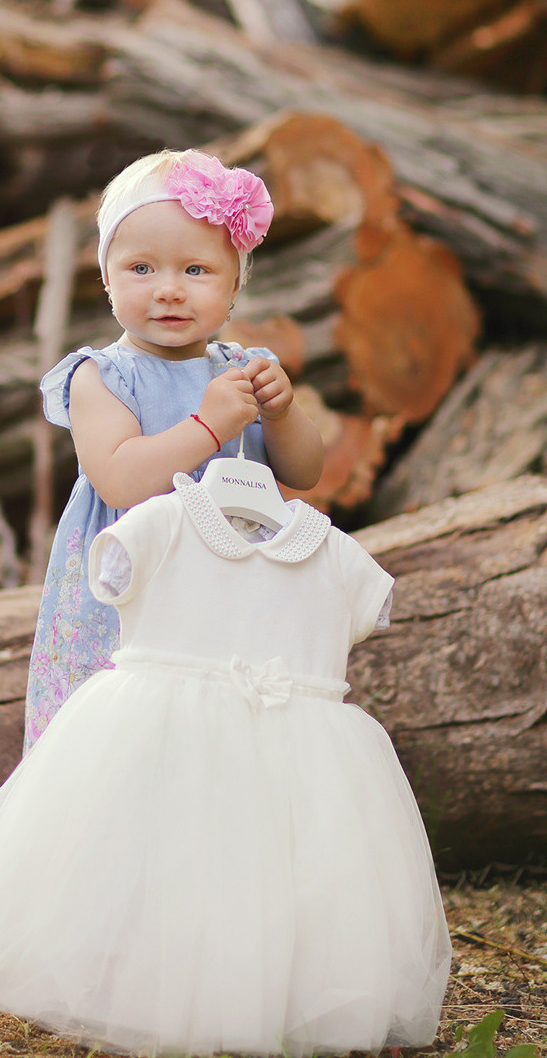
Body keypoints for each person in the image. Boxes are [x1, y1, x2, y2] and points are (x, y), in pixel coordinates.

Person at [0, 467, 452, 1058]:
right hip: (168, 744)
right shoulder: (161, 526)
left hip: (278, 754)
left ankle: (257, 1003)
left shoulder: (337, 558)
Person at [23, 148, 323, 751]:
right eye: (141, 268)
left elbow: (305, 472)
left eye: (195, 270)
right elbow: (119, 479)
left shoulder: (244, 369)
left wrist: (282, 414)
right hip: (136, 586)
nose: (169, 291)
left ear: (234, 284)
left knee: (224, 721)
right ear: (106, 279)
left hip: (232, 581)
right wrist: (207, 427)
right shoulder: (101, 377)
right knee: (133, 728)